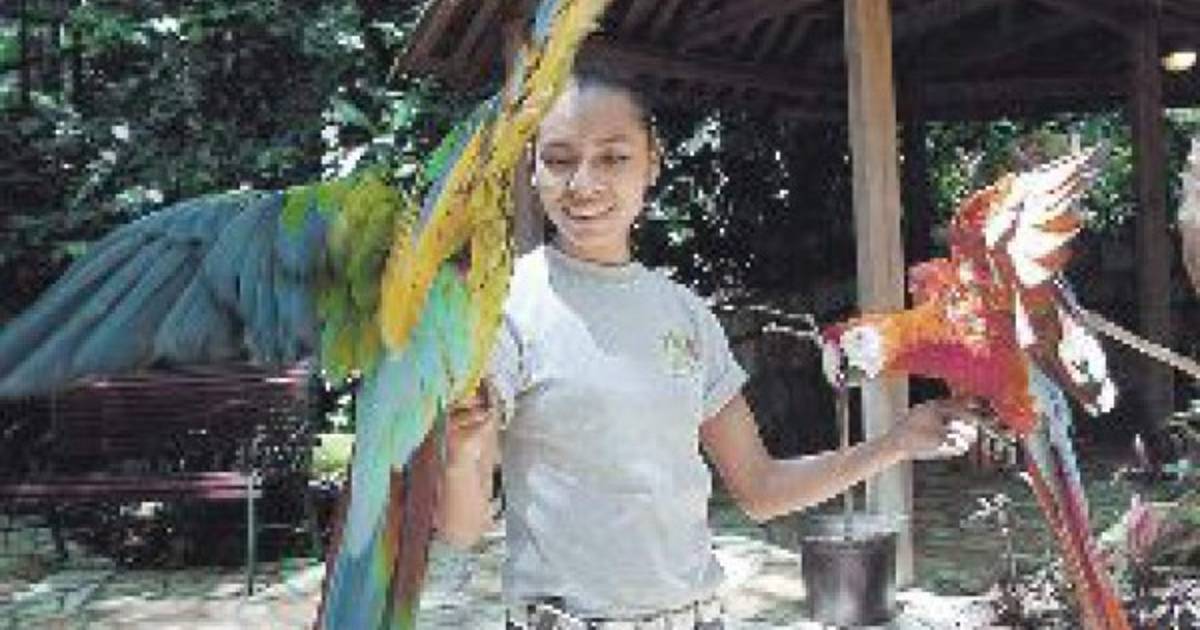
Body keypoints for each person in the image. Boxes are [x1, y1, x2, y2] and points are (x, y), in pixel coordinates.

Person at [434, 62, 979, 630]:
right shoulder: (502, 311)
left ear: (653, 162)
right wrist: (463, 445)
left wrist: (895, 443)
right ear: (532, 167)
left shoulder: (686, 315)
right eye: (559, 159)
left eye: (613, 157)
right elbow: (461, 529)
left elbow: (761, 488)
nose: (584, 184)